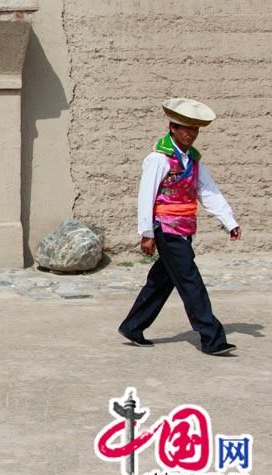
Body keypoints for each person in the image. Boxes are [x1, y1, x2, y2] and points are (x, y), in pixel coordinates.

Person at [118, 98, 241, 356]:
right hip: (166, 228)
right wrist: (147, 234)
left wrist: (229, 220)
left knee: (161, 281)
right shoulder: (158, 158)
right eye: (186, 129)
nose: (191, 134)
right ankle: (212, 338)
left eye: (195, 130)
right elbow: (146, 196)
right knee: (190, 282)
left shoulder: (193, 160)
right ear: (172, 127)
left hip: (185, 230)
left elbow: (208, 192)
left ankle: (133, 326)